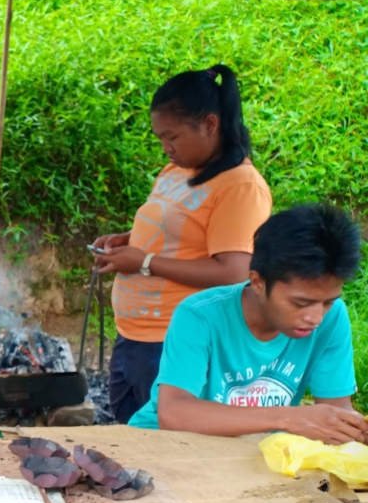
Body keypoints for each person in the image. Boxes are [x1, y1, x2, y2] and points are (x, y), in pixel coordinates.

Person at [92, 65, 272, 424]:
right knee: (129, 442)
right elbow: (177, 234)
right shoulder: (177, 171)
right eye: (160, 137)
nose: (165, 148)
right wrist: (127, 241)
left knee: (164, 449)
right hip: (133, 336)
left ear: (209, 124)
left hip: (175, 341)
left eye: (171, 137)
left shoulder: (240, 187)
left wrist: (144, 262)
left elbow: (234, 271)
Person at [130, 204, 367, 445]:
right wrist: (288, 418)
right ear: (258, 282)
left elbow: (336, 414)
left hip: (249, 451)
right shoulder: (200, 315)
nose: (315, 317)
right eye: (300, 303)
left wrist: (353, 431)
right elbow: (174, 414)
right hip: (164, 445)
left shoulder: (333, 317)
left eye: (327, 302)